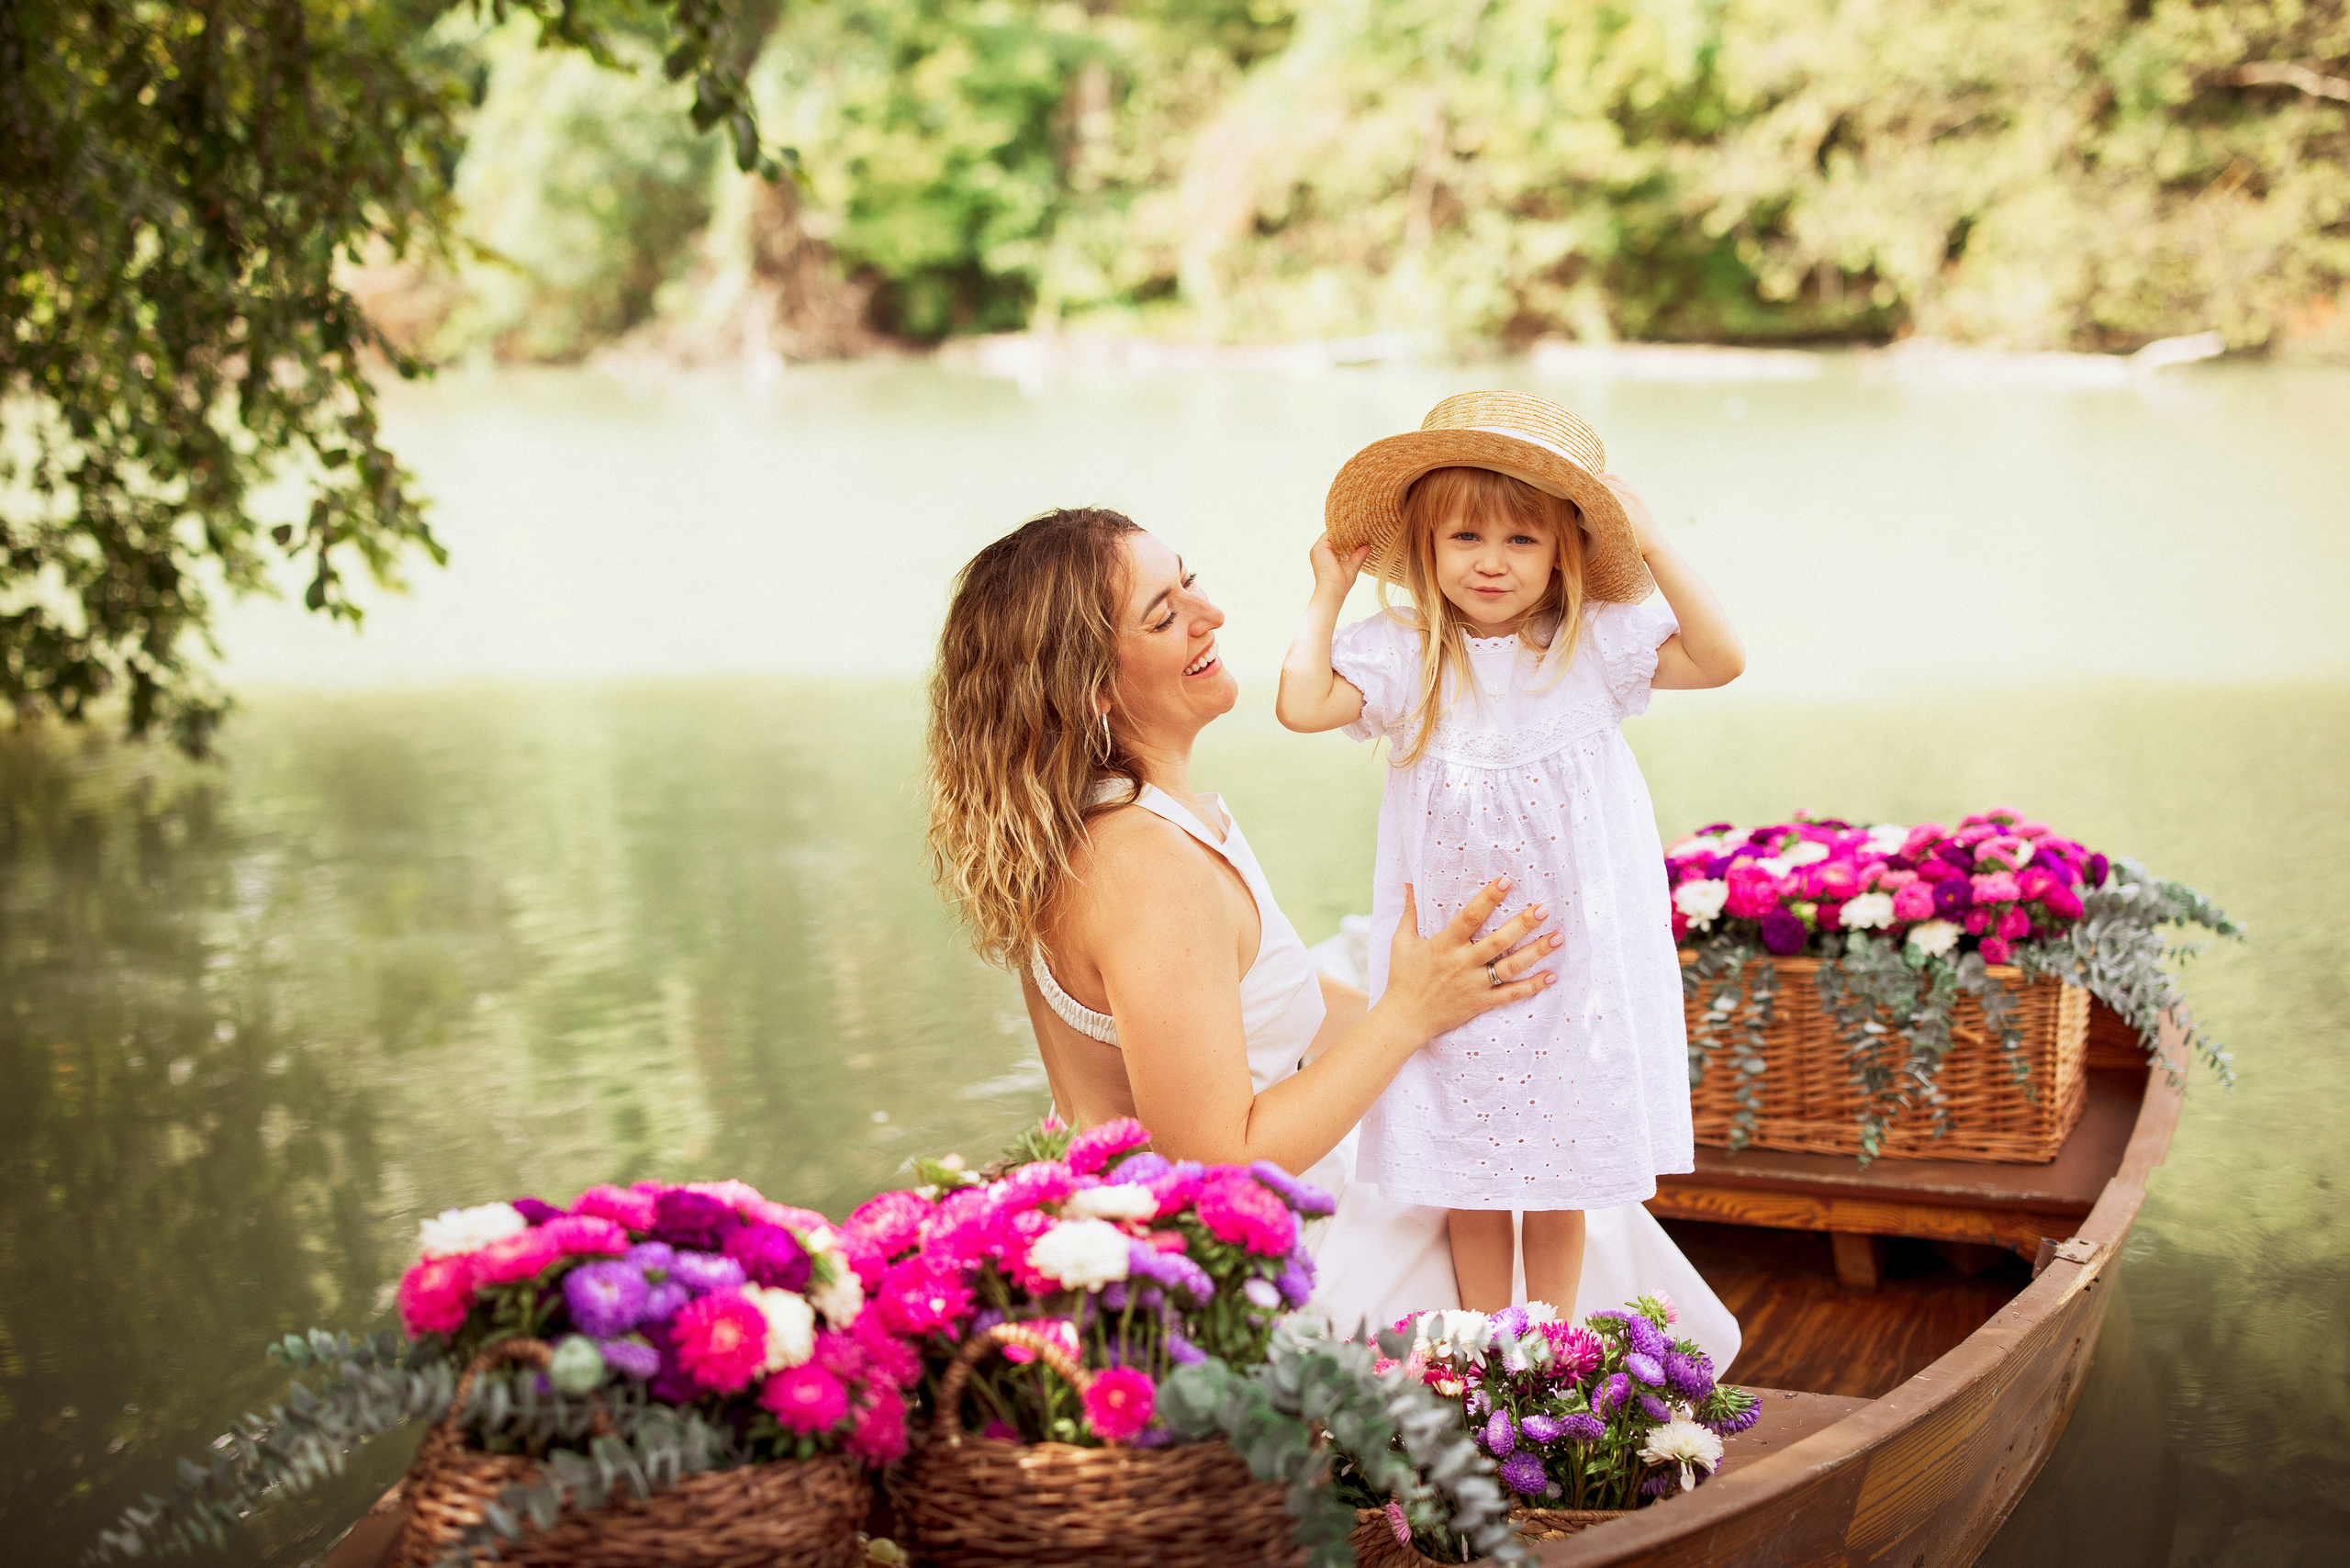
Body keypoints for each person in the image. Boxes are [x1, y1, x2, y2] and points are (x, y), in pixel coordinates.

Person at [924, 504, 1740, 1365]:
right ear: (1090, 687)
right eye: (1164, 615)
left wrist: (1491, 1028)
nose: (1211, 616)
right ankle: (1549, 1405)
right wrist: (1408, 1018)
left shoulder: (1151, 819)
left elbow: (1292, 1009)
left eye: (1190, 582)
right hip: (1239, 1274)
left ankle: (1560, 1391)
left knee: (1534, 1139)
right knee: (1548, 1196)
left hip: (1237, 1218)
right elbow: (1212, 1163)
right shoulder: (1145, 870)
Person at [1276, 390, 1745, 1315]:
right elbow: (1299, 704)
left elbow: (1722, 656)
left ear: (1565, 551)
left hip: (1571, 955)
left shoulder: (1594, 646)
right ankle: (1490, 1348)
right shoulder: (1405, 652)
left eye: (1521, 542)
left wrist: (1652, 545)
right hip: (1456, 955)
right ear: (1425, 548)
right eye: (1465, 539)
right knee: (1467, 1155)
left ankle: (1554, 1341)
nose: (1490, 563)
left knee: (1560, 1159)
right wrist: (1326, 592)